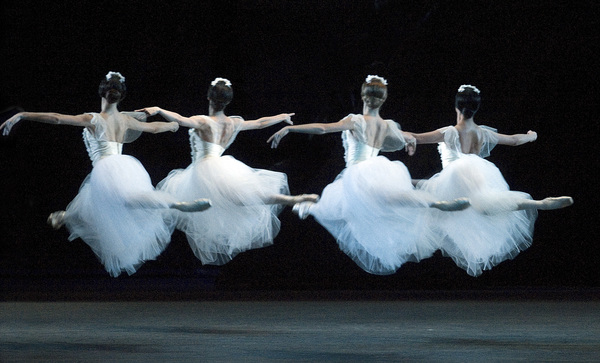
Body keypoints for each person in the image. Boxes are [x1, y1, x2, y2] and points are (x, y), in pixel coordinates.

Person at [0, 71, 211, 277]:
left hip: (105, 170)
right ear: (121, 95)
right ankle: (67, 215)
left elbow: (57, 119)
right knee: (105, 203)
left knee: (115, 201)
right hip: (125, 167)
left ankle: (177, 205)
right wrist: (171, 126)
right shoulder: (125, 120)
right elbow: (153, 128)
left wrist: (23, 115)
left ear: (103, 93)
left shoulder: (92, 119)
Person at [268, 75, 469, 275]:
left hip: (356, 173)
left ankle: (310, 207)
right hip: (377, 169)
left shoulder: (355, 121)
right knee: (395, 197)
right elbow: (404, 139)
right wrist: (409, 141)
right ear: (383, 100)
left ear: (363, 97)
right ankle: (436, 202)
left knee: (342, 208)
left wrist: (290, 128)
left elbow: (323, 129)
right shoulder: (387, 125)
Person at [136, 77, 318, 265]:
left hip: (203, 169)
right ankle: (292, 199)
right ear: (228, 101)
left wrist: (158, 110)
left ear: (209, 97)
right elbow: (259, 123)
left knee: (174, 203)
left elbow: (181, 120)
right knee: (244, 197)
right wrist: (281, 117)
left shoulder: (203, 121)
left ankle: (139, 229)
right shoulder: (233, 123)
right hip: (223, 166)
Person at [409, 84, 573, 276]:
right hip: (478, 177)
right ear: (475, 109)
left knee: (417, 189)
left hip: (453, 178)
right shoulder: (483, 133)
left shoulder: (448, 132)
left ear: (456, 107)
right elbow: (514, 140)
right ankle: (537, 203)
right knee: (486, 206)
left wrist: (397, 135)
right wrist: (532, 136)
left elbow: (416, 138)